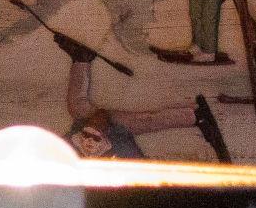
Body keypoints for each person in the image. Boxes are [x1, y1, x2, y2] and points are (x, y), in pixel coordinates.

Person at [54, 33, 226, 162]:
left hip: (91, 131)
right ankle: (194, 116)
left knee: (79, 108)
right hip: (112, 137)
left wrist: (87, 128)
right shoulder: (118, 148)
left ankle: (81, 60)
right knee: (144, 121)